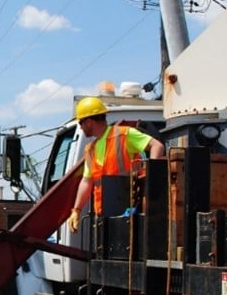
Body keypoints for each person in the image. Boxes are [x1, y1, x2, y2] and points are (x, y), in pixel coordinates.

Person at [67, 96, 165, 233]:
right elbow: (87, 181)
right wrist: (76, 210)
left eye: (80, 123)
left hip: (130, 214)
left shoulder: (124, 134)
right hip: (104, 217)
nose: (81, 127)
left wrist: (151, 180)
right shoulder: (90, 149)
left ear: (89, 122)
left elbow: (157, 146)